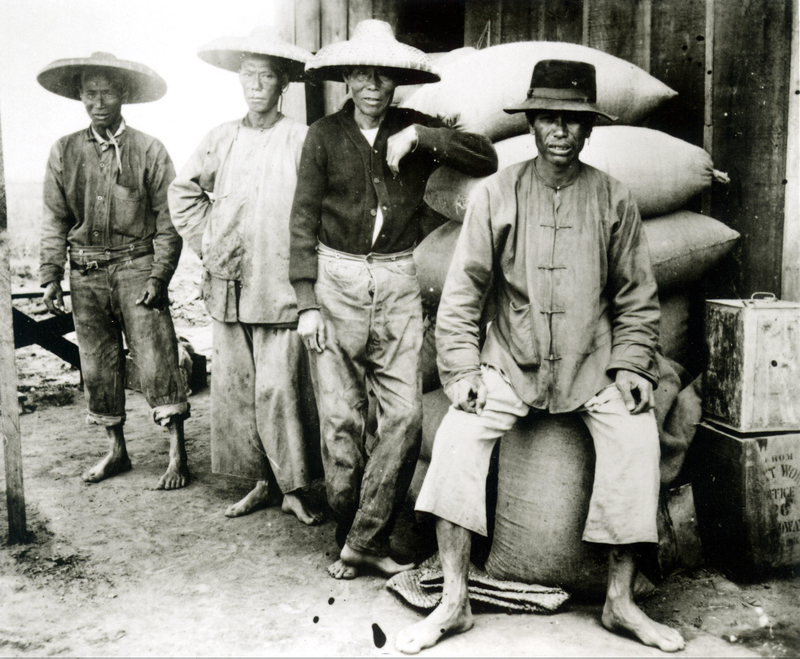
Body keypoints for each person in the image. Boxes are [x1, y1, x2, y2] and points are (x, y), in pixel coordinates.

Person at [396, 60, 685, 654]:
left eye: (573, 120)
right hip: (510, 364)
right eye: (548, 116)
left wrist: (632, 365)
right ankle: (453, 602)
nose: (559, 130)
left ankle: (620, 602)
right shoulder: (497, 194)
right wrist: (460, 370)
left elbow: (638, 297)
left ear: (589, 128)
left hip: (592, 364)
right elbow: (463, 293)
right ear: (530, 122)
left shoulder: (615, 198)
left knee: (637, 440)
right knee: (453, 441)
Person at [290, 19, 498, 580]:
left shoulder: (414, 127)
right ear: (347, 78)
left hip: (400, 281)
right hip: (335, 282)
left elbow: (486, 158)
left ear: (397, 80)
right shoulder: (323, 136)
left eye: (383, 74)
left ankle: (365, 539)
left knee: (404, 417)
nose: (372, 85)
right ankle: (349, 530)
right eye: (361, 73)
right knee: (340, 422)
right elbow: (303, 219)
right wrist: (307, 301)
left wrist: (423, 139)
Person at [168, 28, 322, 524]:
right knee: (237, 387)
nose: (256, 86)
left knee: (279, 389)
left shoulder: (300, 139)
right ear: (239, 82)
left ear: (283, 85)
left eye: (267, 77)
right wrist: (210, 242)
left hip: (280, 286)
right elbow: (183, 193)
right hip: (230, 282)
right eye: (248, 76)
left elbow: (320, 207)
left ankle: (293, 486)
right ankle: (259, 481)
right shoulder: (221, 138)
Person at [38, 52, 190, 489]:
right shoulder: (64, 151)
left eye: (106, 92)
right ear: (80, 97)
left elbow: (169, 220)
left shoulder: (149, 149)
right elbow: (54, 218)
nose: (98, 102)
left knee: (157, 357)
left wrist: (159, 277)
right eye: (89, 93)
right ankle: (116, 451)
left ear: (122, 94)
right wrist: (51, 275)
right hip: (85, 272)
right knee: (98, 364)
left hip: (137, 269)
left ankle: (177, 453)